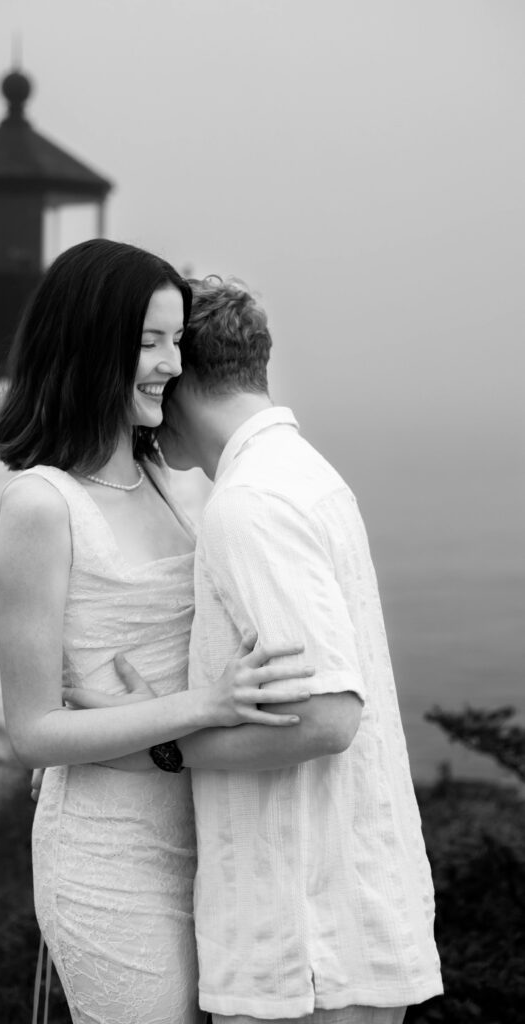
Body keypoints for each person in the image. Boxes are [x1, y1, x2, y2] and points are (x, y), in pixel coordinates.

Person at [67, 277, 443, 1023]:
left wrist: (165, 742)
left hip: (300, 945)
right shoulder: (302, 474)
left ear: (177, 377)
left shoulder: (249, 505)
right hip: (343, 924)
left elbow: (329, 718)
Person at [0, 241, 314, 1024]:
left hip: (212, 830)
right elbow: (33, 731)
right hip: (107, 851)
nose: (172, 365)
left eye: (175, 341)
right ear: (87, 344)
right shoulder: (42, 506)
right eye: (148, 343)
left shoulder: (185, 484)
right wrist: (203, 706)